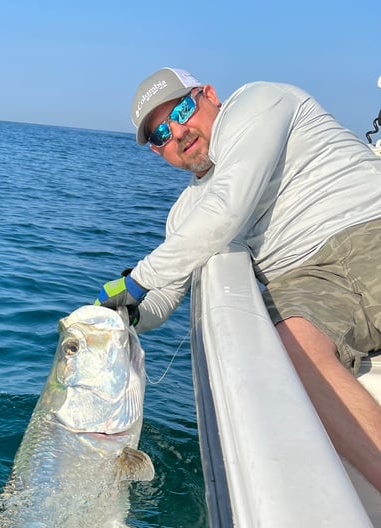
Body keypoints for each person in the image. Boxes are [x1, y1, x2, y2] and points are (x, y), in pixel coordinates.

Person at [96, 68, 381, 493]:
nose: (175, 133)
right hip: (309, 282)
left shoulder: (260, 101)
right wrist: (127, 314)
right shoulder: (184, 214)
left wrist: (137, 280)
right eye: (158, 135)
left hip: (369, 227)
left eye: (182, 110)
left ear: (209, 94)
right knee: (290, 354)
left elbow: (228, 207)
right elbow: (165, 295)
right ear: (158, 152)